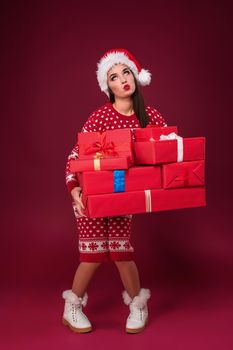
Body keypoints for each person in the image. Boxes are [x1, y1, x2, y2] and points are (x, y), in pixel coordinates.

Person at [62, 48, 167, 334]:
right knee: (93, 254)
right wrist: (74, 188)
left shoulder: (151, 116)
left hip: (124, 196)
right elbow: (74, 155)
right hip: (90, 194)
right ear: (106, 86)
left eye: (126, 72)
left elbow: (168, 149)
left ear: (135, 76)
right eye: (113, 76)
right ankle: (72, 306)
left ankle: (137, 304)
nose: (122, 79)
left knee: (121, 252)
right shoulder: (100, 117)